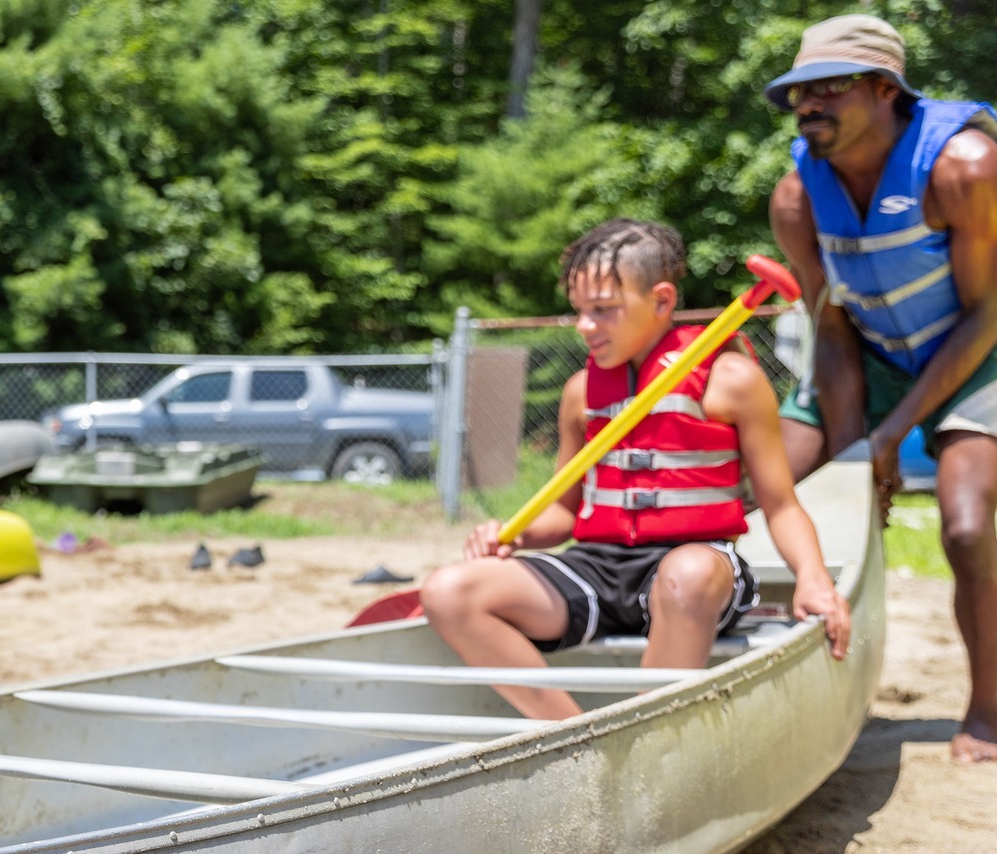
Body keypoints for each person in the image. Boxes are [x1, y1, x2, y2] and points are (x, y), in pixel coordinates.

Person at [419, 219, 850, 721]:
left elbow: (780, 504)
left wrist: (813, 579)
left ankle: (649, 730)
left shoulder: (733, 380)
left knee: (686, 575)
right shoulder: (581, 392)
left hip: (699, 573)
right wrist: (512, 535)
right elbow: (564, 513)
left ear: (661, 301)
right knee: (449, 591)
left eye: (603, 310)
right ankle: (571, 734)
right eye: (580, 311)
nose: (584, 326)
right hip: (598, 569)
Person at [765, 15, 997, 761]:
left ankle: (988, 710)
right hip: (867, 354)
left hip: (977, 349)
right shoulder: (797, 198)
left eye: (828, 87)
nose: (807, 104)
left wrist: (894, 432)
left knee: (967, 526)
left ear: (885, 89)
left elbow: (987, 312)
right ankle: (780, 682)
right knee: (765, 491)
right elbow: (831, 326)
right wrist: (852, 456)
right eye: (798, 92)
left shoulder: (965, 167)